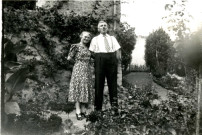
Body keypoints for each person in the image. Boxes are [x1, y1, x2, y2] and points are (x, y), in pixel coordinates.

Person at [89, 21, 121, 112]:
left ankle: (114, 109)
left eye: (105, 26)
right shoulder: (95, 39)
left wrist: (116, 60)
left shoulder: (112, 38)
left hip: (111, 58)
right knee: (99, 84)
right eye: (101, 26)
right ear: (98, 28)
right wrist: (98, 59)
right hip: (99, 58)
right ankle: (98, 110)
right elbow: (91, 51)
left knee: (113, 85)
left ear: (107, 28)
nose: (103, 27)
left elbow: (117, 50)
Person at [67, 31, 94, 120]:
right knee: (78, 89)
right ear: (81, 36)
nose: (86, 38)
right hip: (78, 70)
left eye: (88, 38)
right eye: (85, 37)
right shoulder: (75, 46)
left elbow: (90, 60)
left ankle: (83, 110)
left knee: (84, 89)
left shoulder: (88, 48)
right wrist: (78, 64)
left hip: (87, 71)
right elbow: (69, 58)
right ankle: (78, 110)